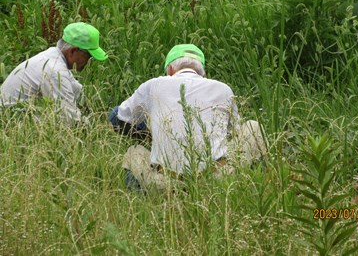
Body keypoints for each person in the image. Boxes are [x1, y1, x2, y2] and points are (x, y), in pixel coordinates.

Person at [109, 44, 266, 191]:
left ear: (170, 70)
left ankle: (145, 203)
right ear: (202, 73)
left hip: (166, 183)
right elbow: (232, 133)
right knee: (253, 127)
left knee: (134, 152)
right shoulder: (223, 89)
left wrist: (147, 134)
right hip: (216, 180)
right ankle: (256, 186)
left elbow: (118, 119)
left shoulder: (153, 85)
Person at [0, 22, 108, 123]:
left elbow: (77, 92)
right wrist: (100, 128)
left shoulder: (54, 56)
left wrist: (98, 111)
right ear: (72, 51)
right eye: (88, 56)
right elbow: (70, 120)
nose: (88, 62)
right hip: (9, 121)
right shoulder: (55, 70)